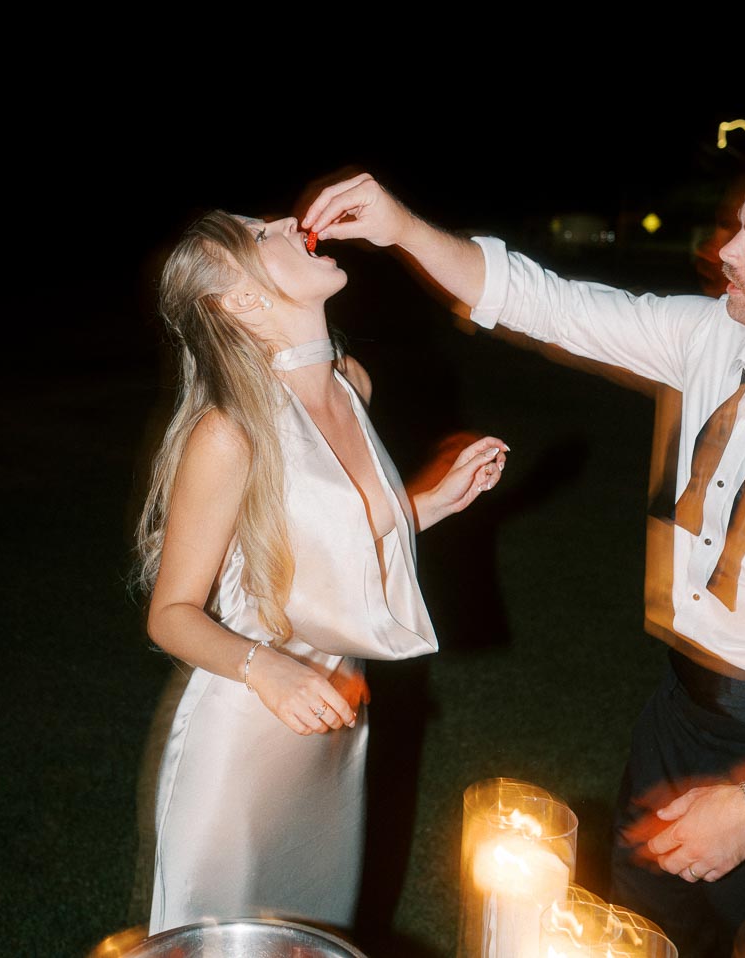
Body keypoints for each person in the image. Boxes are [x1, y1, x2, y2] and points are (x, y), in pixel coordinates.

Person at [303, 134, 745, 958]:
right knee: (636, 932)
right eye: (738, 226)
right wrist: (403, 228)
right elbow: (545, 300)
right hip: (680, 716)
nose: (725, 251)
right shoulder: (709, 339)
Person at [135, 208, 507, 935]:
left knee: (312, 931)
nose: (283, 218)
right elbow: (170, 614)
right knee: (220, 938)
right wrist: (268, 669)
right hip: (242, 732)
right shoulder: (230, 432)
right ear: (241, 301)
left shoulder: (350, 384)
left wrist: (426, 504)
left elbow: (324, 541)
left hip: (332, 717)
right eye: (261, 232)